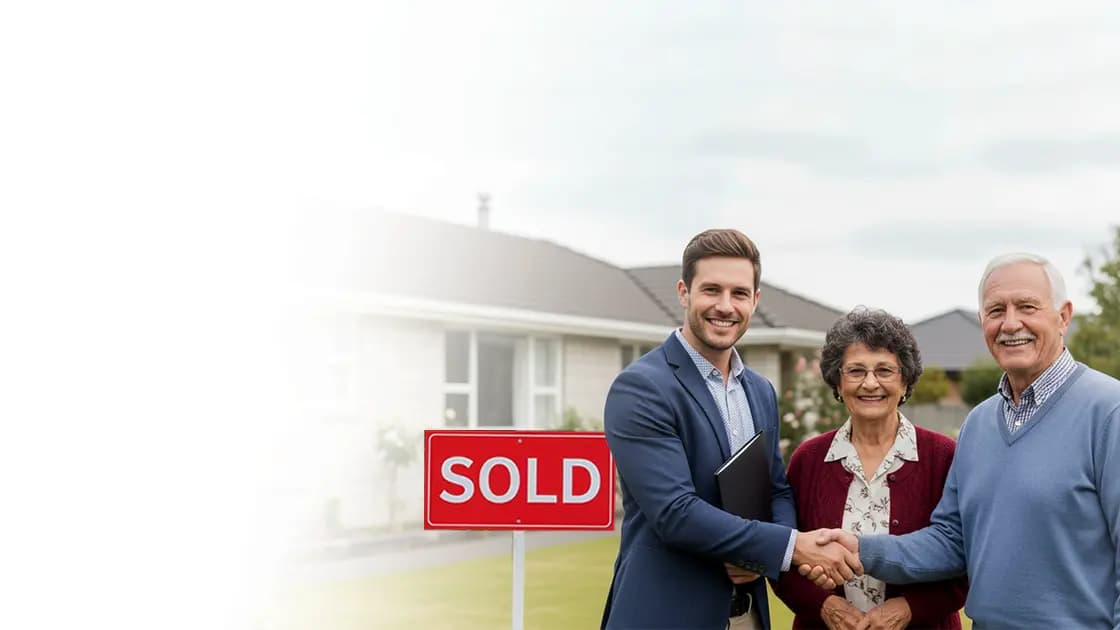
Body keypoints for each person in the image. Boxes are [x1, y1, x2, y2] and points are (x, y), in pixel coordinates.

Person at [806, 253, 1120, 629]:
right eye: (996, 310)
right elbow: (952, 543)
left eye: (1027, 307)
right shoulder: (978, 424)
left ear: (1063, 316)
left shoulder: (1108, 412)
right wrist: (858, 549)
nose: (1010, 323)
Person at [601, 228, 861, 630]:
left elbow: (774, 488)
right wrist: (792, 548)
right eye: (711, 290)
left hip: (748, 616)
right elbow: (675, 512)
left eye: (739, 293)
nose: (725, 306)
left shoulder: (759, 390)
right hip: (666, 613)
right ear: (684, 292)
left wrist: (766, 552)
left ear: (755, 300)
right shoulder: (642, 387)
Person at [773, 309, 966, 630]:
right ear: (838, 381)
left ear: (905, 381)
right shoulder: (808, 460)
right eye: (856, 371)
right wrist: (825, 605)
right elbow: (784, 557)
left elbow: (967, 560)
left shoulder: (943, 457)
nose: (870, 383)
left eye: (885, 370)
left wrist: (908, 609)